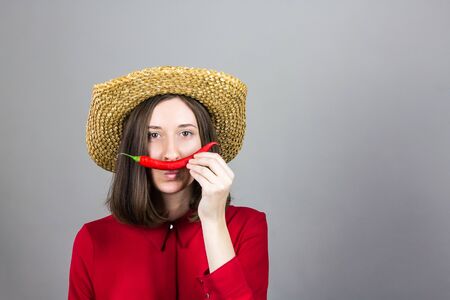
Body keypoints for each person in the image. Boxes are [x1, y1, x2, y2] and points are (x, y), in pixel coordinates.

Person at [68, 66, 269, 299]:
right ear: (134, 145)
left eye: (185, 133)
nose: (171, 153)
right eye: (153, 135)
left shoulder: (247, 227)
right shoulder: (94, 239)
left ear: (206, 143)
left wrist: (213, 221)